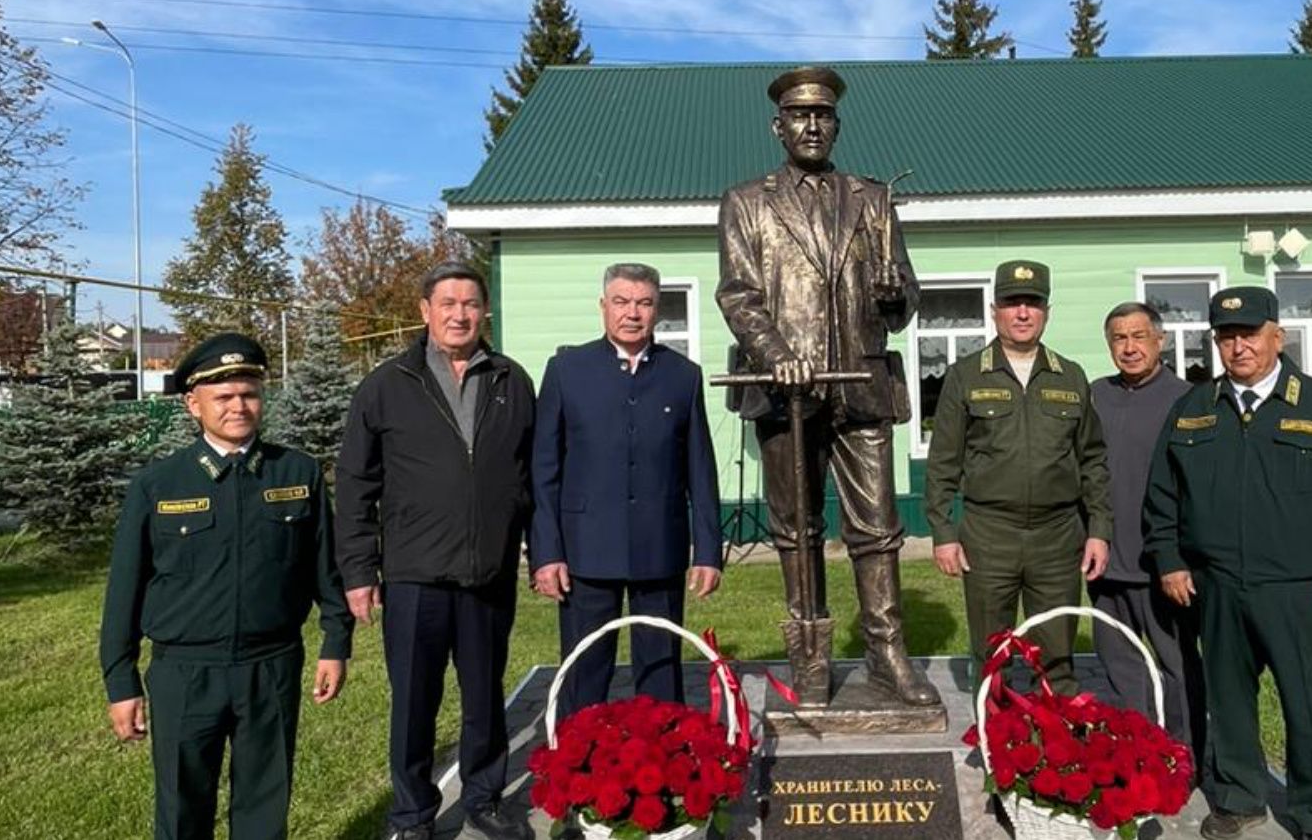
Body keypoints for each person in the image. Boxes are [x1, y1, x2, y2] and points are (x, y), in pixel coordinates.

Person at [716, 65, 938, 706]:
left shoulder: (872, 200)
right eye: (799, 116)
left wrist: (897, 294)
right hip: (786, 389)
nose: (812, 126)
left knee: (878, 526)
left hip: (860, 384)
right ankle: (808, 655)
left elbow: (903, 303)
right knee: (795, 527)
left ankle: (886, 652)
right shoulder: (746, 203)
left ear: (837, 124)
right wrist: (776, 351)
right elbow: (738, 292)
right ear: (777, 125)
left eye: (823, 116)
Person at [1144, 286, 1312, 840]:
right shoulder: (1192, 411)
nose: (1239, 347)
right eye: (1226, 337)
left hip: (1303, 591)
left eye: (1250, 334)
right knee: (1229, 703)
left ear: (1277, 336)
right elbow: (1162, 499)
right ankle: (1238, 798)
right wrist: (1170, 561)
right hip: (1218, 587)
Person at [99, 332, 352, 840]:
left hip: (272, 664)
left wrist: (335, 643)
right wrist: (122, 681)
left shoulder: (296, 472)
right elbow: (124, 590)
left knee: (265, 806)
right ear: (194, 404)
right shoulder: (159, 484)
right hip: (185, 672)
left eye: (250, 393)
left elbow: (325, 569)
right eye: (223, 397)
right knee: (182, 808)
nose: (239, 406)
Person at [336, 262, 535, 840]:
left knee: (484, 696)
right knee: (414, 704)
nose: (459, 314)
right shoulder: (386, 385)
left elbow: (531, 476)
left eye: (470, 303)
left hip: (486, 574)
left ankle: (483, 796)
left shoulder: (510, 380)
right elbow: (355, 484)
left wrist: (533, 547)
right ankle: (413, 814)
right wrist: (357, 570)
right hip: (414, 576)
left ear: (484, 312)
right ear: (424, 311)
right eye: (447, 303)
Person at [531, 263, 724, 712]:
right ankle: (578, 769)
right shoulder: (566, 370)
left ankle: (661, 764)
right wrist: (546, 552)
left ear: (657, 310)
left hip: (660, 546)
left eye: (644, 303)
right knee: (584, 671)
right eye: (621, 302)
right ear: (603, 307)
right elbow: (543, 470)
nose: (632, 313)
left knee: (660, 670)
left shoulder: (684, 375)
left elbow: (700, 468)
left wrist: (709, 552)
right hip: (583, 552)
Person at [924, 260, 1112, 692]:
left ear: (1047, 311)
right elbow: (943, 463)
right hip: (990, 535)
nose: (1022, 313)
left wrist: (1099, 529)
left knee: (1058, 657)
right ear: (995, 311)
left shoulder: (1071, 376)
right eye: (1012, 303)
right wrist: (943, 532)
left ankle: (1056, 752)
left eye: (1033, 303)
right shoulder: (966, 375)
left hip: (1058, 536)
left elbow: (1093, 461)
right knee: (992, 655)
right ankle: (998, 750)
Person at [1088, 302, 1205, 756]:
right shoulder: (1095, 395)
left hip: (1163, 565)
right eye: (1119, 338)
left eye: (1139, 336)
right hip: (1104, 560)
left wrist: (1179, 556)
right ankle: (1139, 751)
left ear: (1161, 341)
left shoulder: (1188, 400)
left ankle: (1185, 755)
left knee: (1176, 666)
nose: (1130, 347)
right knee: (1120, 664)